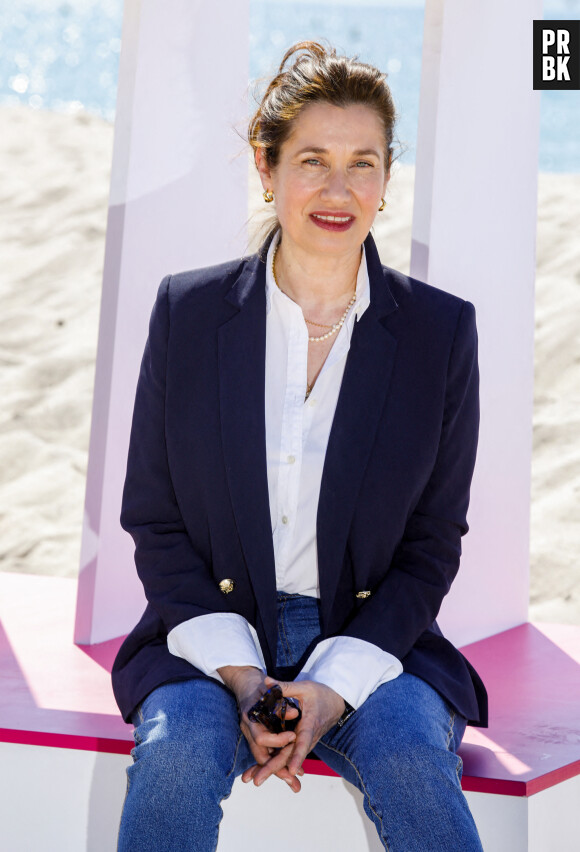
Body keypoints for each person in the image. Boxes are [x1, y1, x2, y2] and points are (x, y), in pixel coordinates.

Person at [113, 41, 487, 851]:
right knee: (174, 761)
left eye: (364, 163)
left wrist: (331, 686)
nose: (338, 188)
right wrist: (243, 675)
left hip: (378, 636)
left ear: (387, 181)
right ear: (266, 166)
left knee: (412, 761)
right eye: (312, 160)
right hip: (208, 633)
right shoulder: (188, 313)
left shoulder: (439, 332)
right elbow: (154, 518)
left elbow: (432, 543)